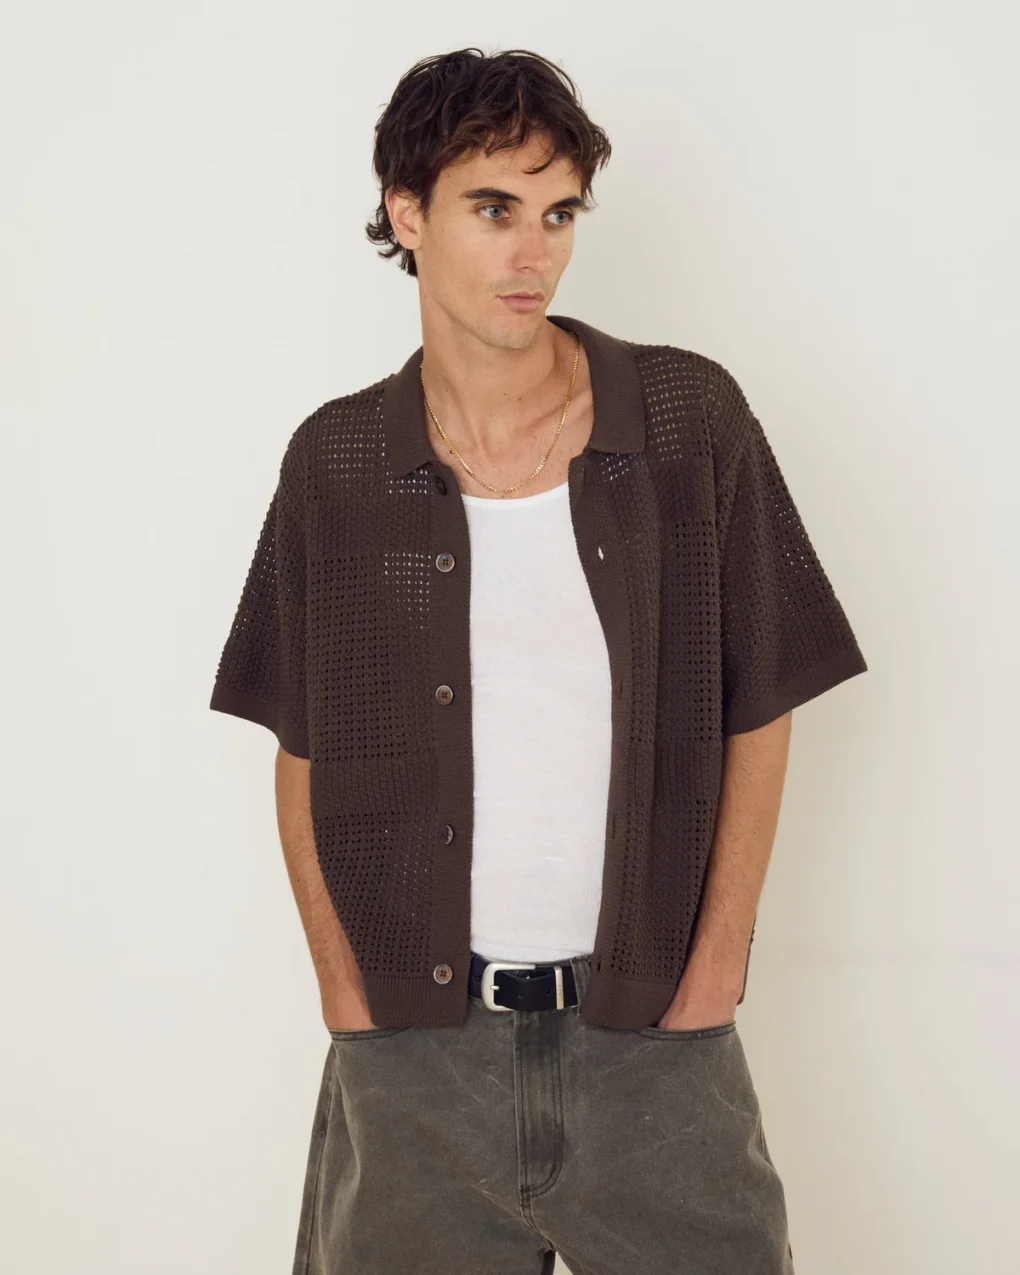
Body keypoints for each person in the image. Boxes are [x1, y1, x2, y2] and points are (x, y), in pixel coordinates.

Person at [209, 46, 867, 1275]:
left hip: (655, 1042)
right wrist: (346, 996)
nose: (535, 253)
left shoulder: (685, 423)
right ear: (408, 213)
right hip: (415, 1059)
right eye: (494, 209)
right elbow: (303, 748)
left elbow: (762, 699)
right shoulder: (336, 465)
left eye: (559, 213)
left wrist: (717, 966)